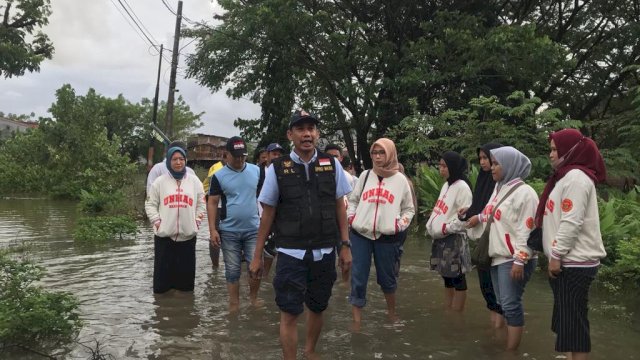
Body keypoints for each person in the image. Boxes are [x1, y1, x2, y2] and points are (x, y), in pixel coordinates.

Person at [249, 109, 352, 360]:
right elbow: (268, 213)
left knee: (318, 307)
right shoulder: (277, 168)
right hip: (290, 251)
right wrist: (257, 255)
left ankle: (310, 352)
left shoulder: (331, 164)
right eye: (301, 129)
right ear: (290, 135)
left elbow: (340, 205)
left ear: (317, 133)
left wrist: (345, 245)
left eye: (311, 129)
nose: (307, 134)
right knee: (289, 312)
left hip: (325, 250)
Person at [537, 129, 607, 360]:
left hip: (574, 262)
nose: (551, 154)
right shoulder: (565, 177)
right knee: (568, 324)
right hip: (568, 261)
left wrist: (556, 255)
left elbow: (571, 222)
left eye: (555, 149)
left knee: (574, 326)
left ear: (571, 150)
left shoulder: (576, 178)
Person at [466, 146, 538, 351]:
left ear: (509, 165)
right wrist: (475, 218)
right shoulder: (499, 189)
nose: (492, 167)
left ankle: (511, 352)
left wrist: (519, 259)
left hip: (512, 258)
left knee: (510, 304)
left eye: (496, 164)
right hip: (497, 257)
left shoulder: (525, 193)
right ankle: (507, 342)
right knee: (502, 303)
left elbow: (527, 228)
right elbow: (489, 214)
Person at [347, 138, 415, 326]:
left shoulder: (401, 180)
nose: (377, 157)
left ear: (390, 154)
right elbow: (353, 200)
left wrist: (398, 225)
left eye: (381, 153)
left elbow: (409, 209)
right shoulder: (365, 176)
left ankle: (391, 313)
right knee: (358, 276)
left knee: (387, 278)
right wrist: (352, 218)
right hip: (361, 234)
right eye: (374, 153)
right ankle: (357, 321)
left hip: (387, 237)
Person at [207, 136, 262, 311]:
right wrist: (212, 230)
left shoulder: (257, 171)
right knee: (232, 270)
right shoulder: (218, 176)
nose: (239, 160)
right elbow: (212, 202)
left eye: (243, 156)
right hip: (229, 230)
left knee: (255, 268)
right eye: (236, 156)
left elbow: (265, 198)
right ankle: (234, 303)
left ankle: (253, 299)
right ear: (226, 155)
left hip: (254, 229)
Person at [145, 145, 206, 293]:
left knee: (185, 286)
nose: (178, 162)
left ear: (185, 160)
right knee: (162, 285)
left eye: (181, 159)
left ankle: (183, 311)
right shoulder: (159, 182)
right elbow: (150, 204)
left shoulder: (194, 181)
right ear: (169, 162)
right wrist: (157, 223)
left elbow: (201, 203)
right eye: (174, 159)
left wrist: (196, 222)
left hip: (188, 237)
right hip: (164, 237)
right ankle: (162, 311)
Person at [458, 143, 505, 328]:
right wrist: (469, 212)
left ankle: (500, 330)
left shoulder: (500, 183)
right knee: (486, 287)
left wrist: (479, 216)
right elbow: (482, 205)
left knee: (497, 291)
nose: (484, 163)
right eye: (482, 159)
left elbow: (495, 209)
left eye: (487, 159)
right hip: (483, 241)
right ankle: (495, 329)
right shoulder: (484, 180)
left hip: (496, 243)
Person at [425, 151, 473, 312]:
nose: (441, 169)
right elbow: (440, 209)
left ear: (453, 167)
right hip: (441, 238)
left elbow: (464, 218)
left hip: (454, 239)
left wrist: (446, 228)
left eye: (444, 166)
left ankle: (457, 312)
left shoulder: (463, 188)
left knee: (458, 276)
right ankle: (448, 308)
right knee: (446, 276)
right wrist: (432, 226)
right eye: (440, 165)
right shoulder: (447, 185)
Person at [261, 142, 285, 278]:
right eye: (274, 154)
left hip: (276, 218)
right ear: (267, 155)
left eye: (279, 154)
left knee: (272, 249)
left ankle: (265, 278)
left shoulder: (284, 172)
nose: (277, 157)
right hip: (258, 216)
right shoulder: (257, 172)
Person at [202, 156, 225, 269]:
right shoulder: (217, 168)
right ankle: (215, 265)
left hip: (229, 206)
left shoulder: (235, 167)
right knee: (215, 235)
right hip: (217, 206)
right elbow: (211, 187)